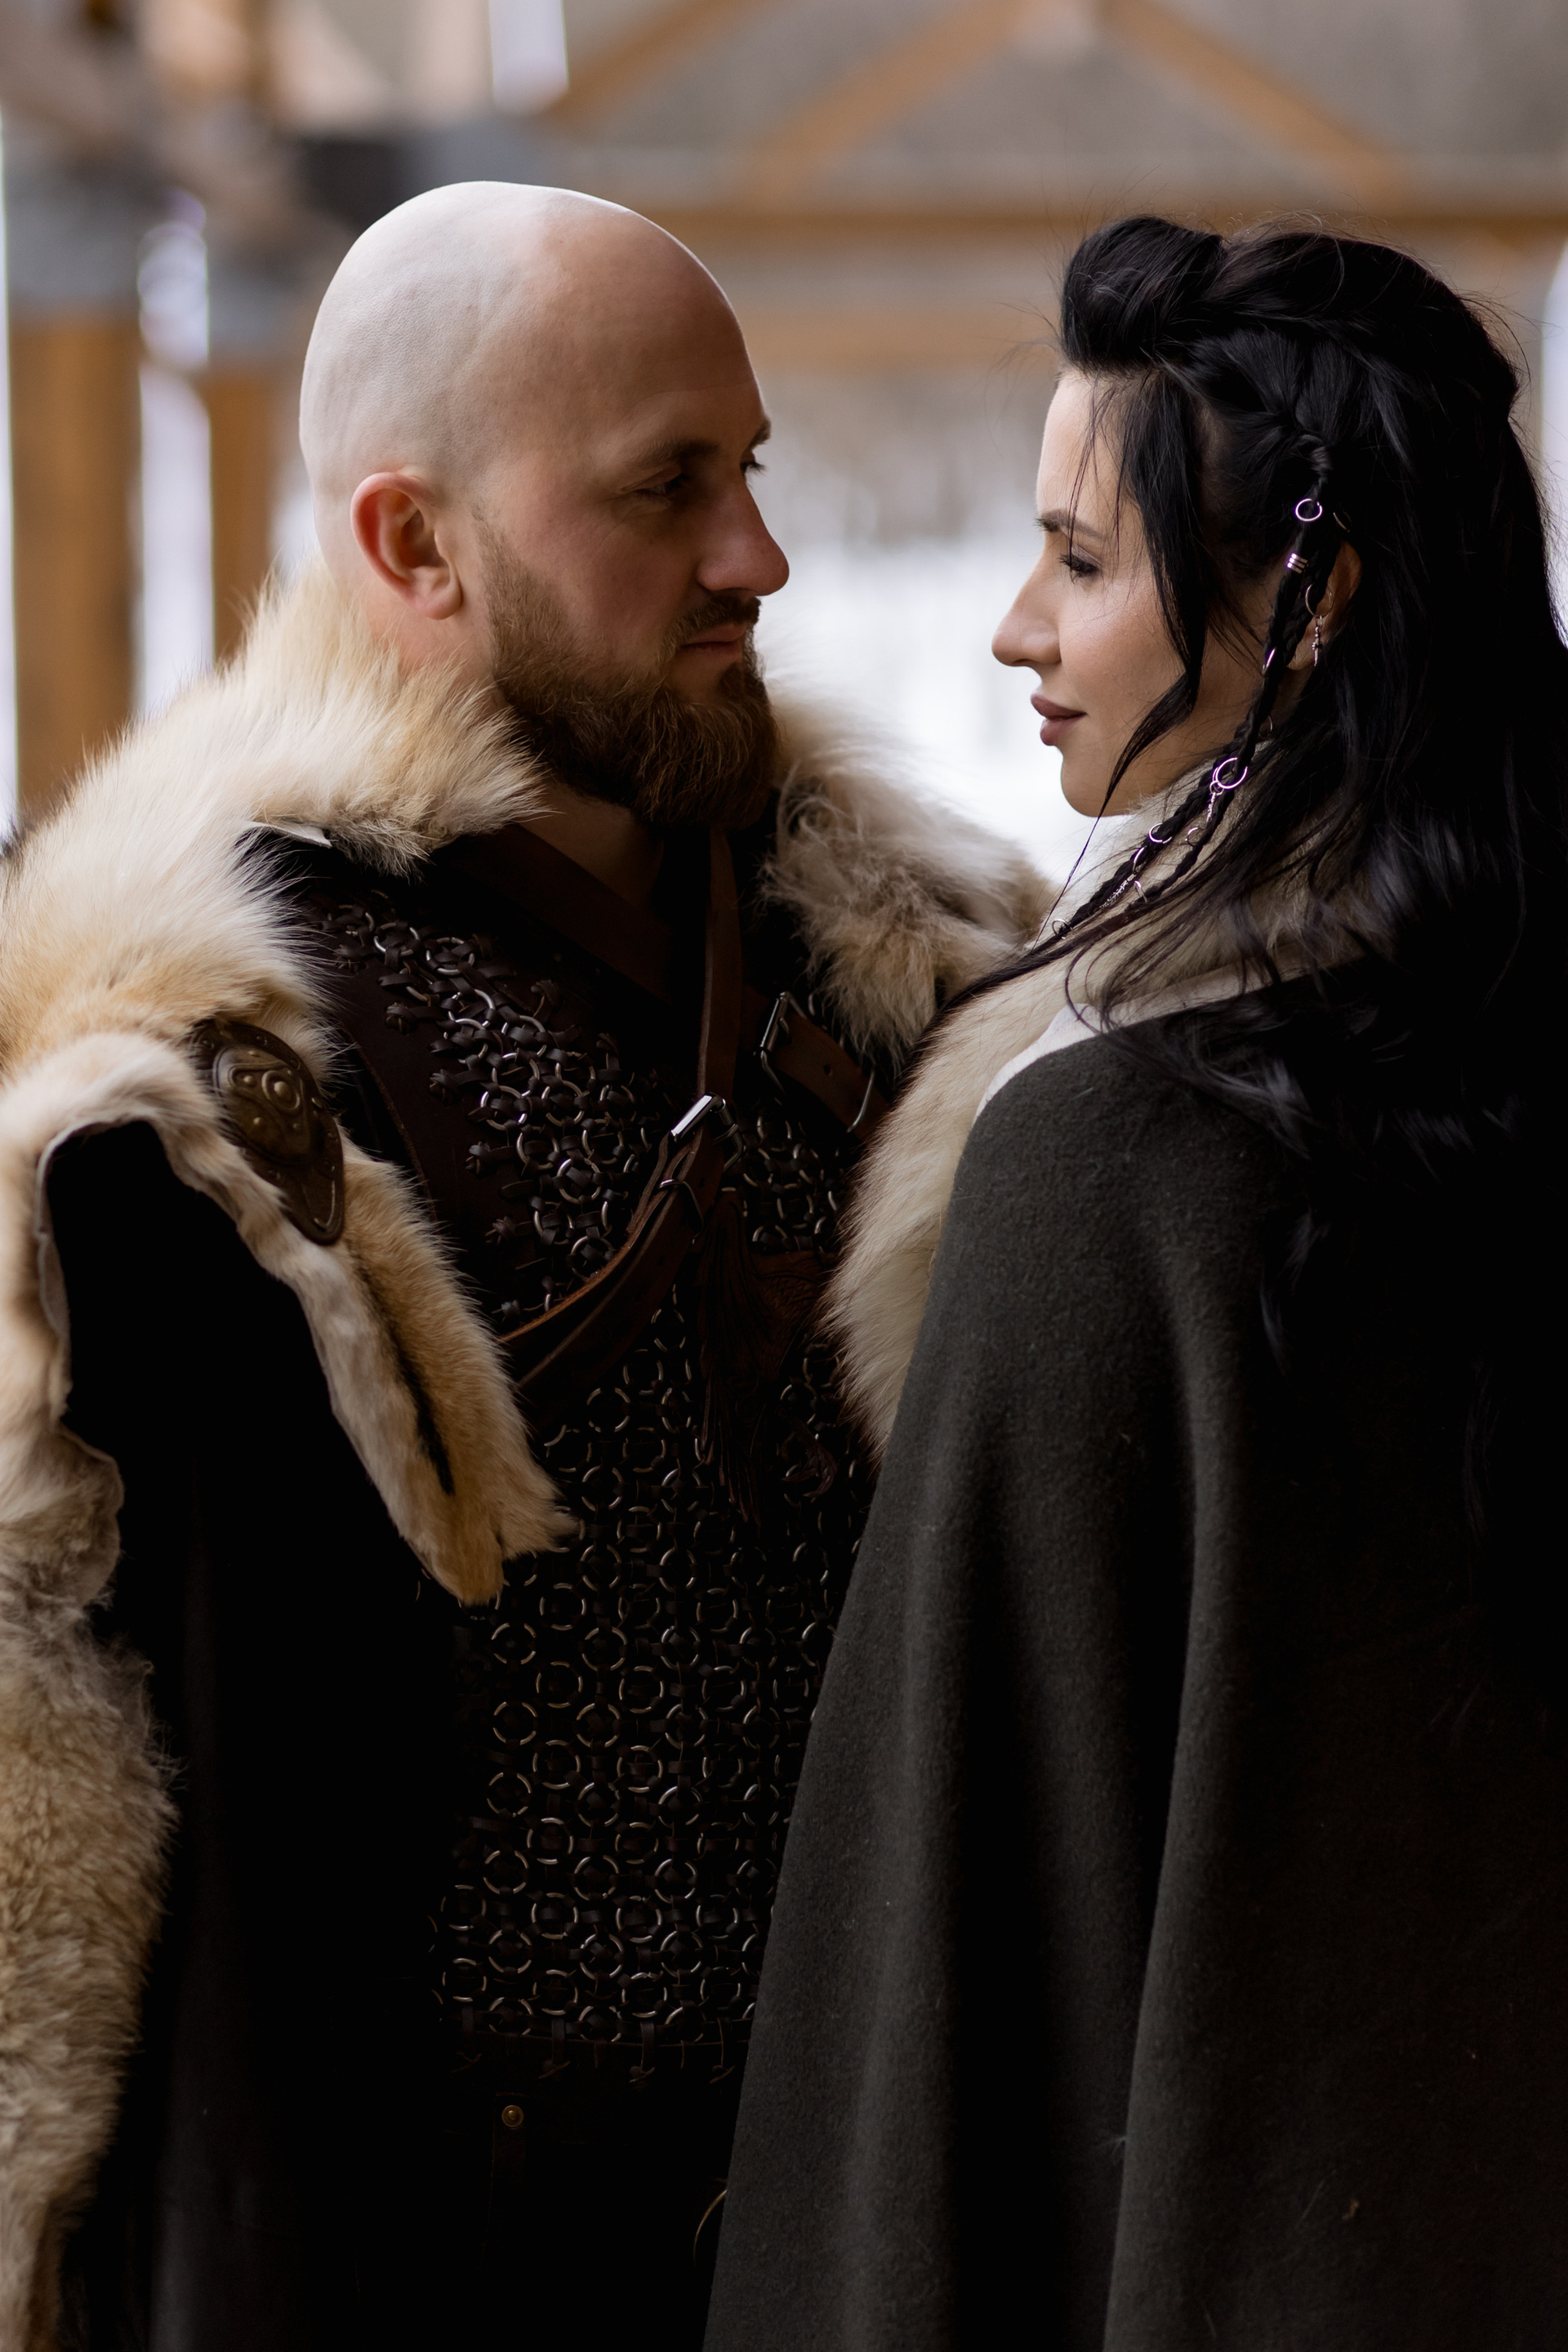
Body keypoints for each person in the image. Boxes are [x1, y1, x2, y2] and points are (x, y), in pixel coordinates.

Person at [0, 181, 1048, 2350]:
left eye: (750, 472)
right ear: (416, 545)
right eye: (669, 490)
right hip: (407, 2252)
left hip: (891, 2205)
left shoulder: (918, 986)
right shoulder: (188, 1094)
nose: (757, 556)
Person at [704, 216, 1568, 2351]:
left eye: (1081, 560)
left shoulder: (1114, 1162)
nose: (1017, 625)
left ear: (1310, 597)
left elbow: (954, 1985)